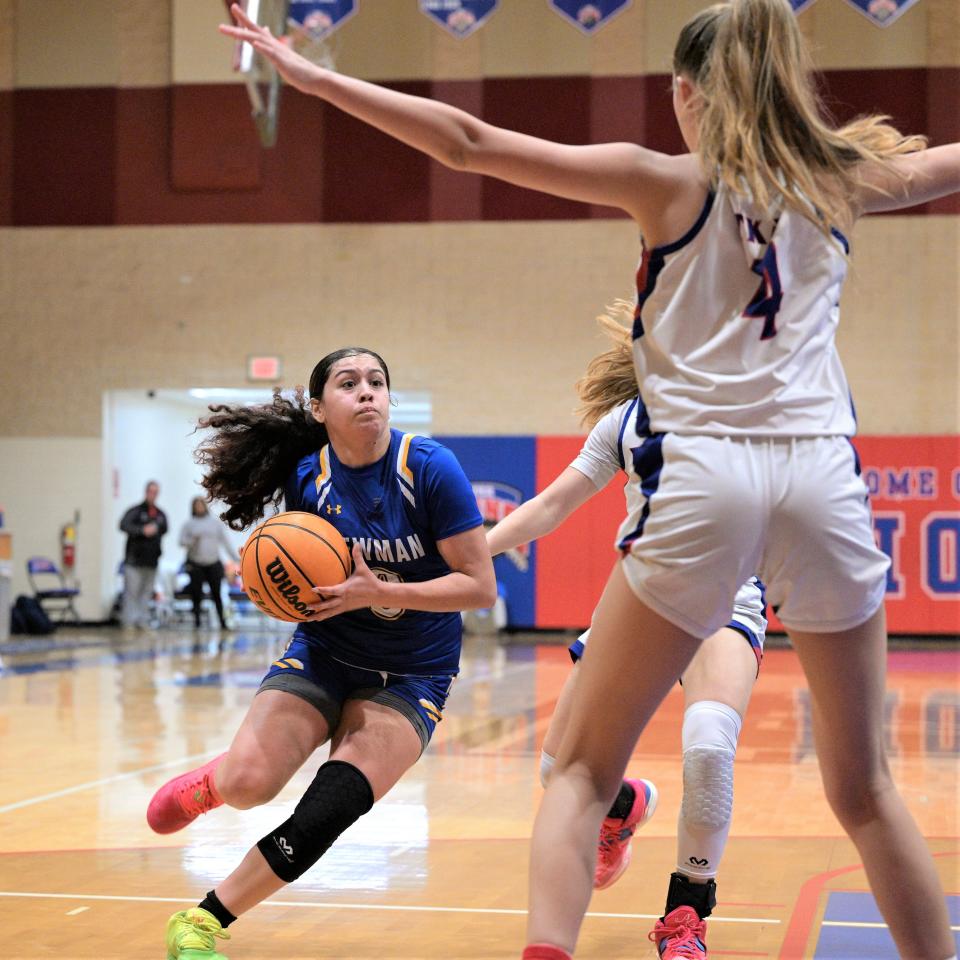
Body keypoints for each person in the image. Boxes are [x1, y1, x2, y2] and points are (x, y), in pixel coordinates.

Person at [220, 4, 960, 959]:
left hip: (709, 478)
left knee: (576, 769)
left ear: (687, 96)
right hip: (824, 476)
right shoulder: (844, 178)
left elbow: (467, 141)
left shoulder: (665, 181)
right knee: (866, 793)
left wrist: (312, 76)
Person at [147, 347, 496, 960]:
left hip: (414, 671)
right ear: (318, 407)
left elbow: (480, 588)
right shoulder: (308, 479)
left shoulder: (431, 469)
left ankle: (202, 921)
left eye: (378, 382)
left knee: (327, 812)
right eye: (349, 383)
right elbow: (300, 571)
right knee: (252, 783)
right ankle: (215, 782)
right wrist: (278, 590)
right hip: (327, 649)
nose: (367, 392)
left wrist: (381, 589)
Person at [486, 304, 767, 954]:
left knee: (708, 747)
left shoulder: (758, 413)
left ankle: (686, 916)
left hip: (726, 603)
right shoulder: (626, 421)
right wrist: (478, 549)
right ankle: (621, 809)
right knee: (558, 770)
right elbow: (552, 504)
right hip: (638, 601)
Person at [179, 496, 239, 630]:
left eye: (201, 505)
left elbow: (225, 542)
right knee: (196, 595)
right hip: (196, 564)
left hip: (213, 563)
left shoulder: (215, 523)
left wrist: (236, 558)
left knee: (217, 594)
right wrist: (192, 539)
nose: (199, 507)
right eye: (197, 505)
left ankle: (223, 623)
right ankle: (197, 622)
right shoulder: (189, 524)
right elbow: (182, 542)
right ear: (193, 508)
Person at [118, 480, 167, 629]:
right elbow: (123, 525)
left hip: (151, 561)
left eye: (155, 492)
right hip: (134, 561)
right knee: (132, 593)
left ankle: (143, 621)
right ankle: (129, 623)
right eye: (151, 491)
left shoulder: (160, 514)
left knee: (146, 593)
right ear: (146, 492)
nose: (153, 495)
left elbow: (164, 528)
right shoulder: (135, 511)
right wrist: (142, 530)